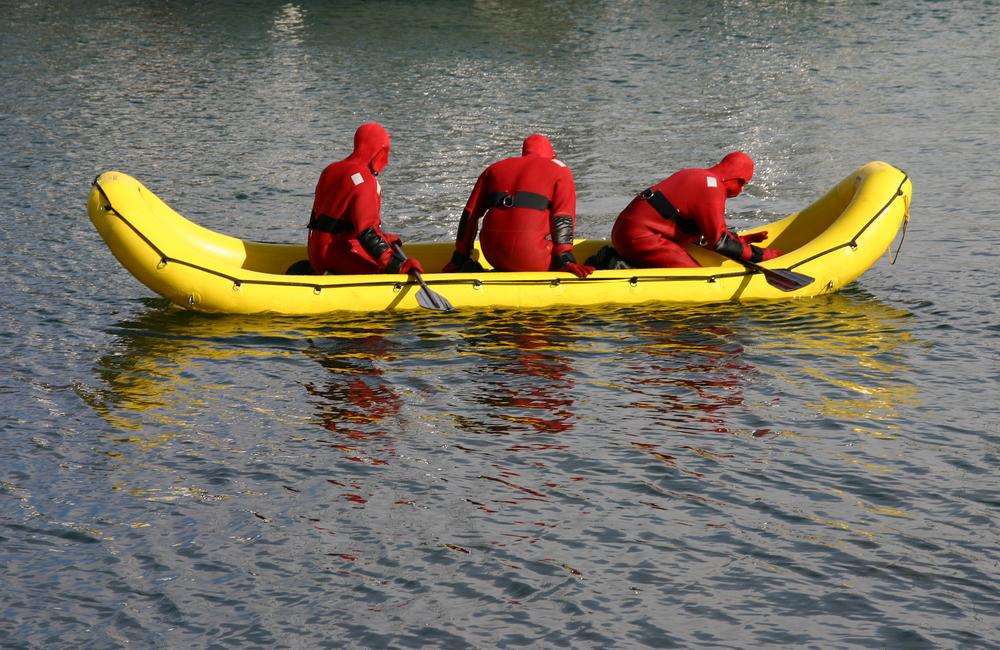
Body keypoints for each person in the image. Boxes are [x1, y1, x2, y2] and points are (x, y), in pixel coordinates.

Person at [442, 134, 594, 278]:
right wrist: (565, 258)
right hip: (531, 256)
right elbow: (563, 216)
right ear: (553, 156)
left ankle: (469, 266)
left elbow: (470, 214)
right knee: (575, 261)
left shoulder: (494, 168)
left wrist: (459, 258)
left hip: (491, 253)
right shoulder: (560, 169)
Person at [601, 152, 781, 270]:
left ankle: (616, 259)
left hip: (624, 233)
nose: (740, 191)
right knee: (696, 276)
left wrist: (738, 241)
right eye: (743, 185)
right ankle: (620, 266)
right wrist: (761, 255)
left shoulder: (697, 175)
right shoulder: (713, 188)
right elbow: (720, 243)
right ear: (739, 179)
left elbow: (691, 226)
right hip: (641, 239)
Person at [307, 123, 423, 276]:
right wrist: (397, 266)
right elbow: (366, 232)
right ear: (381, 151)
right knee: (389, 274)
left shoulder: (330, 169)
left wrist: (383, 238)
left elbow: (344, 223)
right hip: (337, 257)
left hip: (315, 254)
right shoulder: (364, 181)